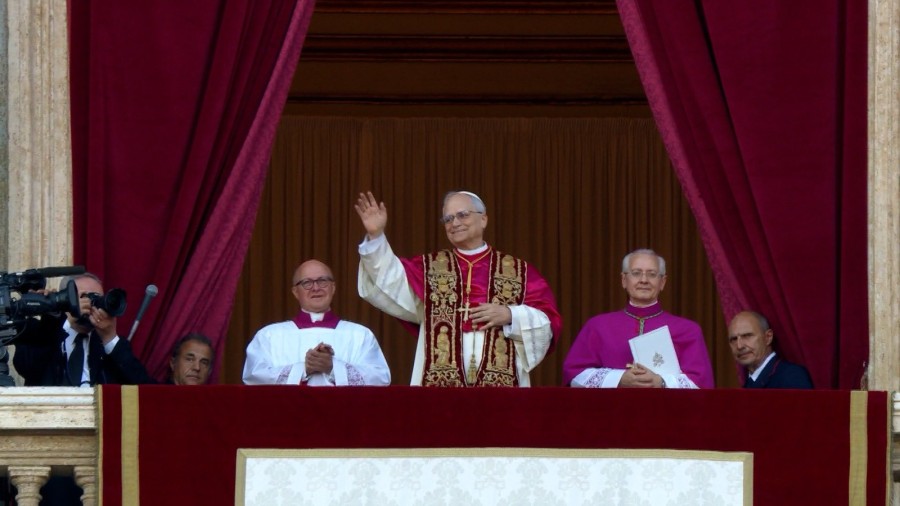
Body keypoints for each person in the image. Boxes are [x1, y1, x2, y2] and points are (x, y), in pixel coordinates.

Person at [355, 190, 562, 387]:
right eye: (447, 219)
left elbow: (548, 323)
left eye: (462, 215)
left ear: (483, 219)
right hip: (439, 386)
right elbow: (390, 280)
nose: (454, 223)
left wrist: (510, 315)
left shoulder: (518, 271)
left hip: (501, 388)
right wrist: (376, 236)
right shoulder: (428, 268)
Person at [563, 249, 714, 388]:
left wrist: (661, 381)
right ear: (624, 280)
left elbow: (701, 382)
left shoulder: (688, 330)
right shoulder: (597, 326)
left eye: (652, 274)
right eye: (636, 273)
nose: (644, 280)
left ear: (663, 282)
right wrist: (619, 378)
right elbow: (574, 374)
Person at [243, 259, 390, 386]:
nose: (316, 288)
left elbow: (380, 378)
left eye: (322, 281)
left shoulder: (360, 335)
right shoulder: (269, 336)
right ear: (295, 292)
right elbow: (253, 376)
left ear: (333, 288)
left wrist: (333, 368)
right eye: (306, 283)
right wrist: (303, 369)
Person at [12, 273, 155, 386]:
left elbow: (142, 387)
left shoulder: (109, 347)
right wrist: (66, 319)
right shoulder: (43, 331)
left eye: (97, 298)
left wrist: (110, 338)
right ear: (65, 298)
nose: (91, 303)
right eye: (83, 297)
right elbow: (25, 366)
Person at [728, 310, 813, 389]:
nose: (739, 346)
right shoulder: (748, 384)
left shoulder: (792, 376)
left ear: (768, 337)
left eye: (747, 336)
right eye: (733, 339)